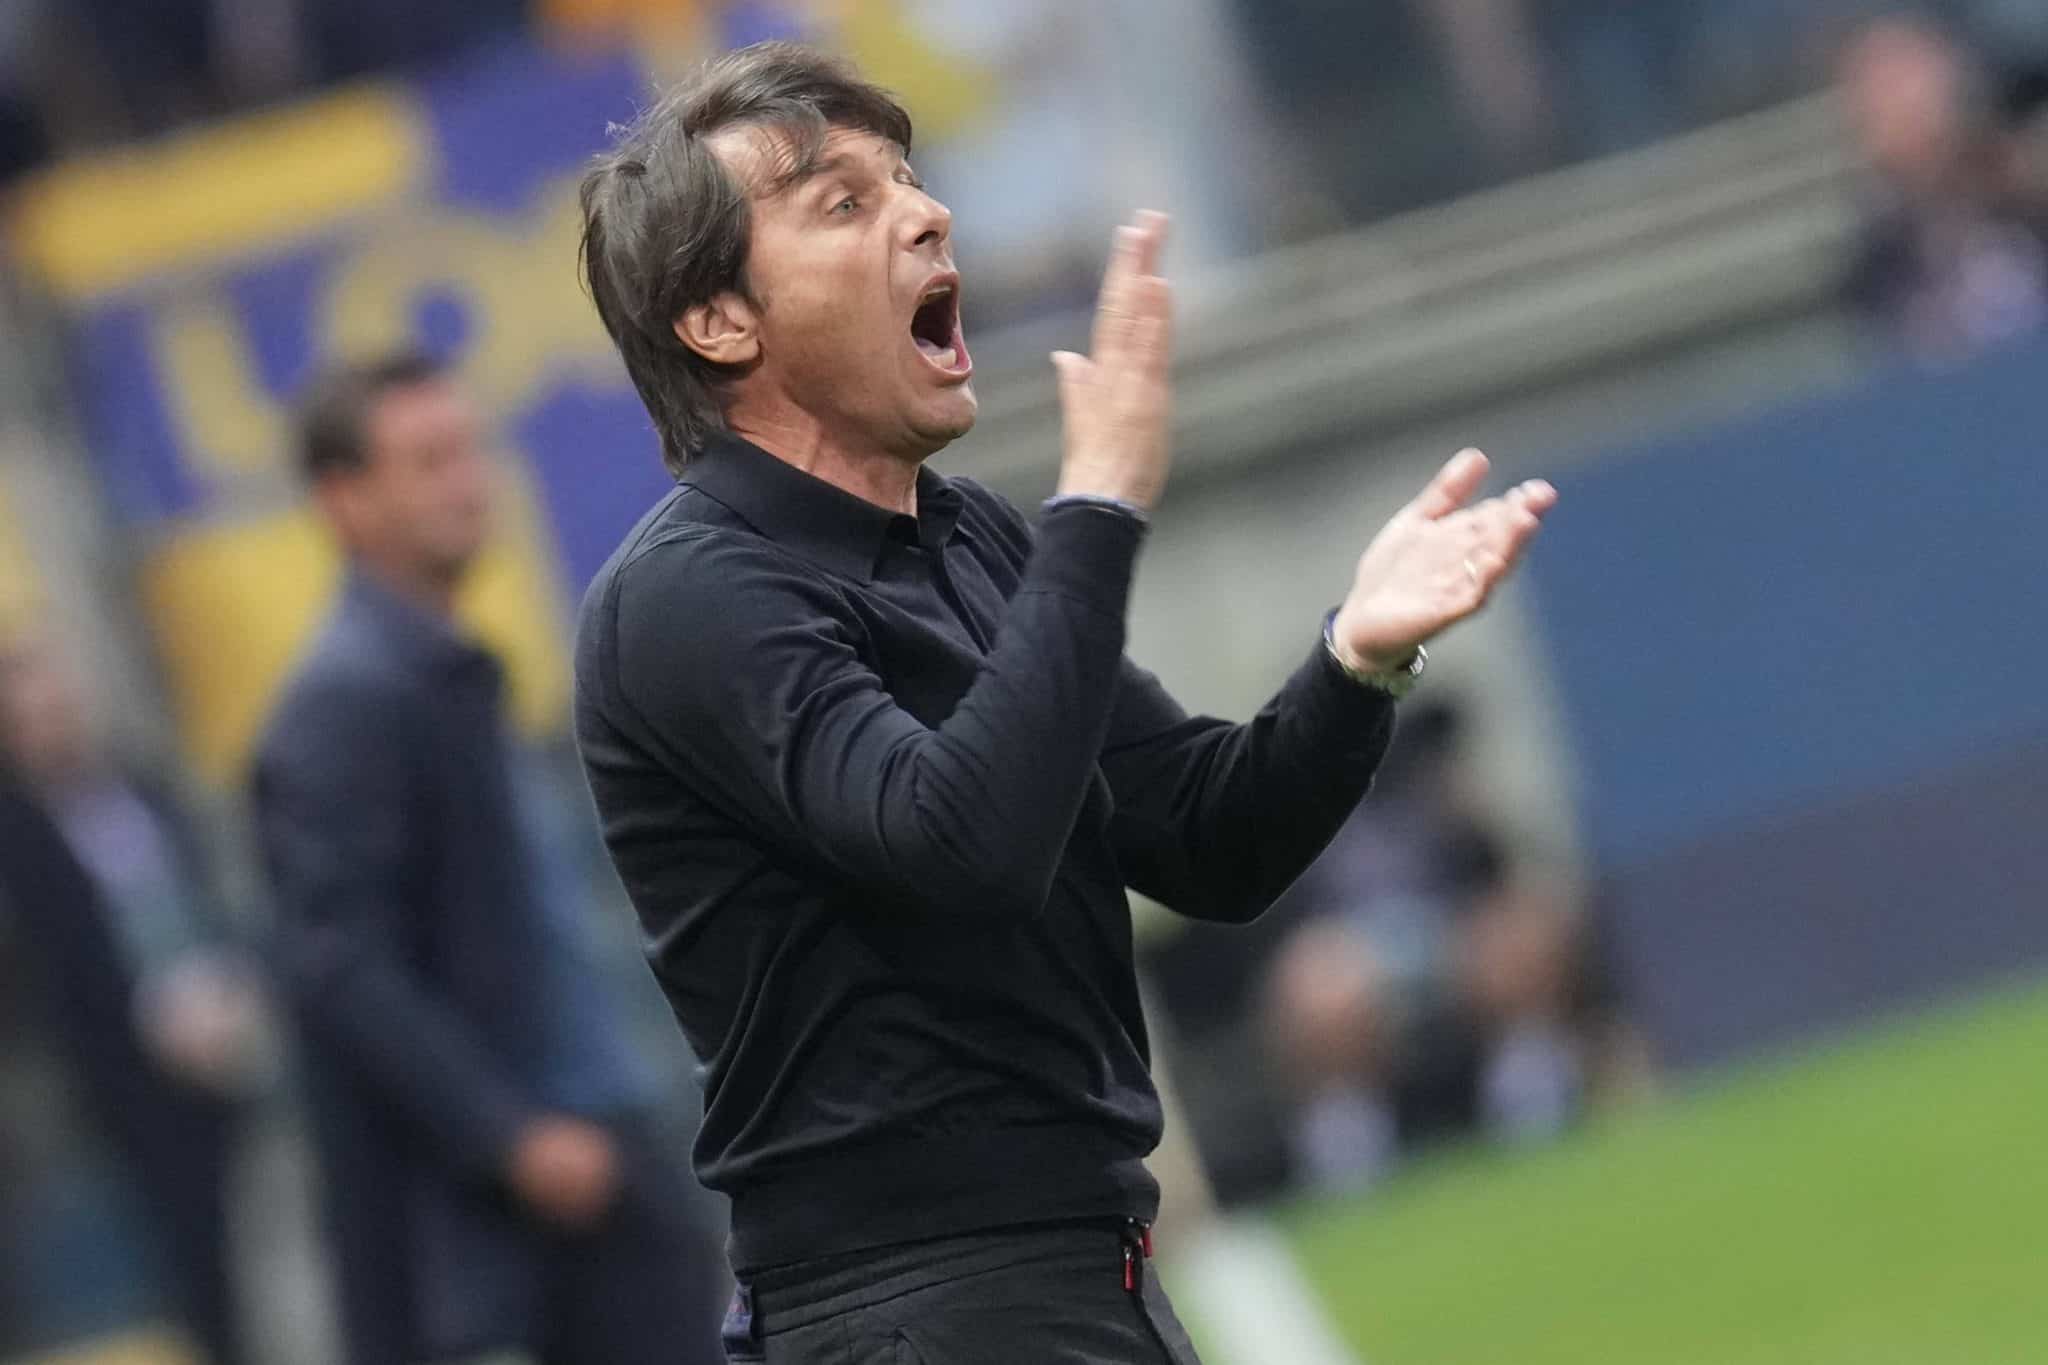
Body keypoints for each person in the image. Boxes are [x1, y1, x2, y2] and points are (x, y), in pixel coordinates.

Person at [572, 41, 1557, 1363]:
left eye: (908, 180)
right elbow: (959, 847)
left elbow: (1207, 837)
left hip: (1077, 1273)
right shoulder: (688, 595)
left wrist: (1356, 659)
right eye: (843, 203)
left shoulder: (969, 536)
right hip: (917, 1307)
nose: (926, 214)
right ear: (718, 321)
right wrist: (1096, 507)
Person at [250, 354, 725, 1365]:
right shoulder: (345, 702)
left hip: (604, 1142)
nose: (467, 482)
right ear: (344, 501)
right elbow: (340, 967)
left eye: (470, 450)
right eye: (428, 461)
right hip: (530, 1195)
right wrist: (512, 1137)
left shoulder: (449, 668)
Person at [0, 629, 268, 1365]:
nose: (55, 722)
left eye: (60, 703)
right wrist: (155, 1017)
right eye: (32, 716)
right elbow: (53, 977)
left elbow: (211, 895)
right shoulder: (19, 837)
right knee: (203, 1284)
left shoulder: (144, 786)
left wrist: (230, 983)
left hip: (232, 1049)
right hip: (133, 1088)